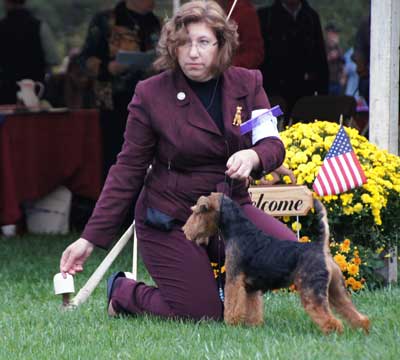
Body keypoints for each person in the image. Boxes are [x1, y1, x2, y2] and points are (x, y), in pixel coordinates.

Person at [60, 0, 297, 321]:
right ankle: (124, 293)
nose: (193, 52)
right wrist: (90, 238)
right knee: (203, 313)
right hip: (169, 219)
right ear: (172, 46)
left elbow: (272, 143)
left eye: (203, 42)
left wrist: (254, 155)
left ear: (221, 45)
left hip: (231, 210)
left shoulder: (249, 83)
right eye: (184, 43)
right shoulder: (150, 94)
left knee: (288, 256)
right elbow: (128, 169)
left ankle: (214, 284)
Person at [79, 0, 161, 181]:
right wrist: (108, 68)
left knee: (149, 158)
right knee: (115, 157)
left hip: (151, 104)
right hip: (113, 103)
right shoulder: (105, 21)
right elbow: (84, 59)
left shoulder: (158, 24)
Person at [258, 0, 329, 113]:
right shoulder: (266, 17)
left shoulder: (311, 17)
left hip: (305, 92)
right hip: (274, 91)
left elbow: (320, 58)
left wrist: (322, 93)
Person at [0, 0, 60, 104]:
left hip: (5, 94)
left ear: (6, 2)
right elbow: (53, 59)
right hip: (35, 93)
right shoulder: (40, 26)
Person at [215, 0, 264, 69]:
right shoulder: (203, 7)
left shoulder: (245, 11)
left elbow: (254, 53)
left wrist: (229, 67)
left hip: (231, 74)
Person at [324, 23, 344, 96]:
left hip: (337, 82)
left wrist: (337, 46)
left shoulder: (338, 47)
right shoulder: (323, 46)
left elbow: (343, 61)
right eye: (333, 33)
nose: (335, 36)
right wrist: (330, 57)